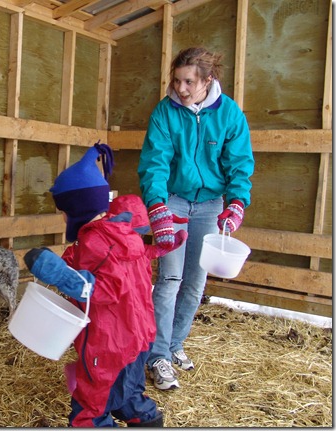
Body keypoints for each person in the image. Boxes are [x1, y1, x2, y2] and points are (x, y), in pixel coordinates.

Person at [24, 143, 186, 427]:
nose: (63, 217)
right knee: (127, 394)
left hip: (110, 343)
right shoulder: (121, 235)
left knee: (90, 406)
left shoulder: (95, 241)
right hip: (138, 337)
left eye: (63, 210)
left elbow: (103, 289)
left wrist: (57, 273)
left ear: (77, 208)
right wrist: (67, 263)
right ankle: (147, 421)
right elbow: (114, 268)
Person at [138, 46, 255, 390]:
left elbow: (239, 164)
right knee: (170, 279)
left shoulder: (229, 114)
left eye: (189, 81)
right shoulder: (165, 112)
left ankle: (175, 344)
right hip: (174, 201)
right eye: (177, 80)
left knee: (194, 282)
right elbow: (155, 162)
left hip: (209, 205)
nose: (181, 88)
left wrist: (237, 203)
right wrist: (157, 206)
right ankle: (157, 355)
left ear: (208, 80)